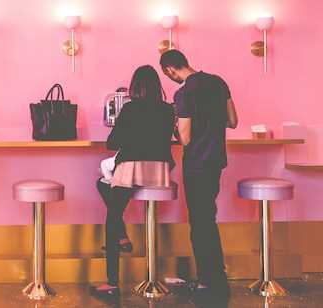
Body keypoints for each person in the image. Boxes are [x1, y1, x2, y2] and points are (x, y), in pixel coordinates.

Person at [90, 65, 175, 300]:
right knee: (105, 186)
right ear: (158, 86)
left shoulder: (129, 109)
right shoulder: (169, 110)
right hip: (159, 172)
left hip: (132, 170)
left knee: (112, 213)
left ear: (135, 86)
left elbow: (112, 142)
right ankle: (123, 235)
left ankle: (112, 281)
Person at [160, 49, 238, 297]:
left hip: (196, 163)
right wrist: (211, 123)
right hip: (216, 161)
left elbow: (184, 138)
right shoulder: (218, 82)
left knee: (200, 222)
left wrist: (172, 125)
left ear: (169, 69)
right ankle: (216, 275)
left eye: (168, 73)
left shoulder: (183, 93)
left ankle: (208, 280)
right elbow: (233, 120)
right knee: (208, 218)